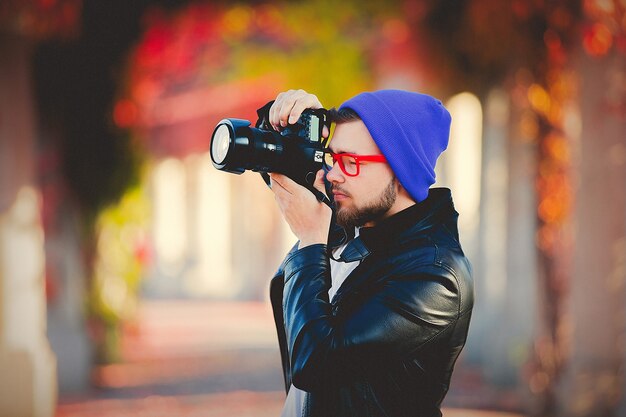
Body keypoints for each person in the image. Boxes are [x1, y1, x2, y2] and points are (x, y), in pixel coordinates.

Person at [266, 89, 474, 417]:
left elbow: (316, 364)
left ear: (401, 170)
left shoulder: (435, 275)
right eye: (332, 158)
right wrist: (290, 132)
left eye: (351, 162)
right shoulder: (355, 234)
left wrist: (310, 238)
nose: (333, 174)